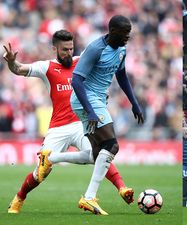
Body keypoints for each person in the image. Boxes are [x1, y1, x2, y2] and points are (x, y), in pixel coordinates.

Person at [2, 30, 133, 214]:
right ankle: (19, 197)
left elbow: (101, 79)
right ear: (54, 48)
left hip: (81, 123)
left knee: (100, 152)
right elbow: (18, 69)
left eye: (71, 48)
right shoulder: (46, 67)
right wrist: (11, 62)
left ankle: (122, 188)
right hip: (58, 127)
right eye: (64, 49)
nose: (68, 53)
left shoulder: (82, 61)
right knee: (42, 173)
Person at [66, 15, 144, 215]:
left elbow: (122, 76)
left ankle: (51, 158)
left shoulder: (121, 50)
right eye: (125, 33)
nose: (128, 37)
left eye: (129, 33)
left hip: (98, 100)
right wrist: (90, 111)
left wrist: (134, 103)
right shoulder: (95, 48)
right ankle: (89, 197)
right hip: (86, 99)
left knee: (96, 152)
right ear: (113, 31)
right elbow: (76, 80)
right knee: (112, 145)